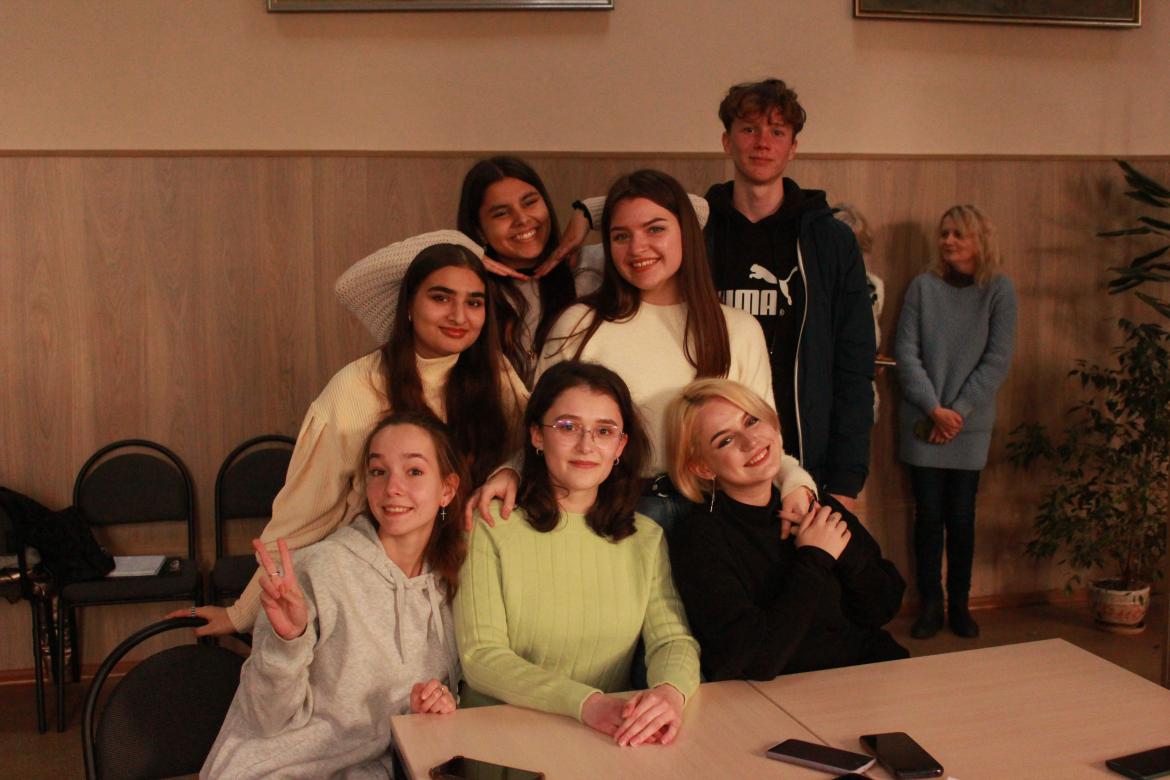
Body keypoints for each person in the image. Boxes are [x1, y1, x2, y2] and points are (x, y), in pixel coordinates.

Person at [547, 79, 875, 512]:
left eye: (777, 132)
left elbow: (854, 365)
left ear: (793, 147)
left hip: (789, 456)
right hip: (682, 479)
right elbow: (647, 213)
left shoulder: (827, 240)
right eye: (749, 129)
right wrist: (586, 213)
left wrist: (844, 478)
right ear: (726, 140)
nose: (762, 143)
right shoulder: (703, 230)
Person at [178, 231, 527, 636]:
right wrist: (241, 612)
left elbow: (537, 447)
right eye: (440, 298)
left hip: (472, 568)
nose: (459, 316)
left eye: (474, 302)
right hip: (377, 583)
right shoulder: (355, 389)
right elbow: (302, 517)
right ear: (408, 305)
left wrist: (511, 471)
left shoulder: (496, 374)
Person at [527, 169, 816, 534]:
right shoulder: (579, 324)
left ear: (686, 232)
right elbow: (538, 429)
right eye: (621, 235)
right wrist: (508, 473)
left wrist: (795, 483)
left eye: (655, 229)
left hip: (716, 517)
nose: (637, 248)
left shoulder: (738, 329)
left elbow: (764, 439)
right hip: (612, 515)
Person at [202, 412, 465, 779]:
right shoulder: (320, 568)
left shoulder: (451, 585)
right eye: (378, 471)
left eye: (414, 471)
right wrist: (287, 642)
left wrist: (428, 708)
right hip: (274, 769)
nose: (392, 487)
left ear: (447, 490)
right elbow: (264, 719)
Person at [455, 361, 700, 747]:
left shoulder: (646, 538)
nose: (587, 445)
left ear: (620, 446)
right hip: (498, 739)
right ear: (537, 435)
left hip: (606, 737)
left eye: (604, 431)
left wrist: (669, 693)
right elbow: (480, 657)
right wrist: (586, 704)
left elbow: (673, 640)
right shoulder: (490, 525)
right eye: (568, 427)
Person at [664, 378, 907, 681]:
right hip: (782, 692)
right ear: (703, 467)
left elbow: (884, 607)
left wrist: (846, 553)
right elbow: (755, 660)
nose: (750, 441)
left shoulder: (811, 501)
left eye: (751, 421)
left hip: (868, 671)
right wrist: (815, 558)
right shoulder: (699, 537)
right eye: (724, 440)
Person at [895, 205, 1017, 639]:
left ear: (979, 240)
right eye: (944, 233)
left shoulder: (999, 290)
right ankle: (931, 605)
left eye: (958, 234)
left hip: (968, 426)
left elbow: (997, 360)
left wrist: (957, 412)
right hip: (924, 422)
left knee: (962, 517)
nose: (948, 241)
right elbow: (905, 354)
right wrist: (934, 410)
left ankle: (960, 604)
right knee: (928, 516)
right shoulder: (922, 287)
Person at [457, 156, 604, 385]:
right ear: (479, 230)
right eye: (501, 213)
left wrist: (587, 213)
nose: (522, 219)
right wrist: (458, 245)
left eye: (530, 202)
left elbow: (664, 204)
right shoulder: (466, 286)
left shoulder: (591, 263)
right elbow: (391, 269)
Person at [833, 202, 886, 420]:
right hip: (825, 394)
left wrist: (873, 358)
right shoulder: (815, 288)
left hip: (861, 396)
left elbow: (871, 333)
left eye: (858, 247)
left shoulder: (874, 286)